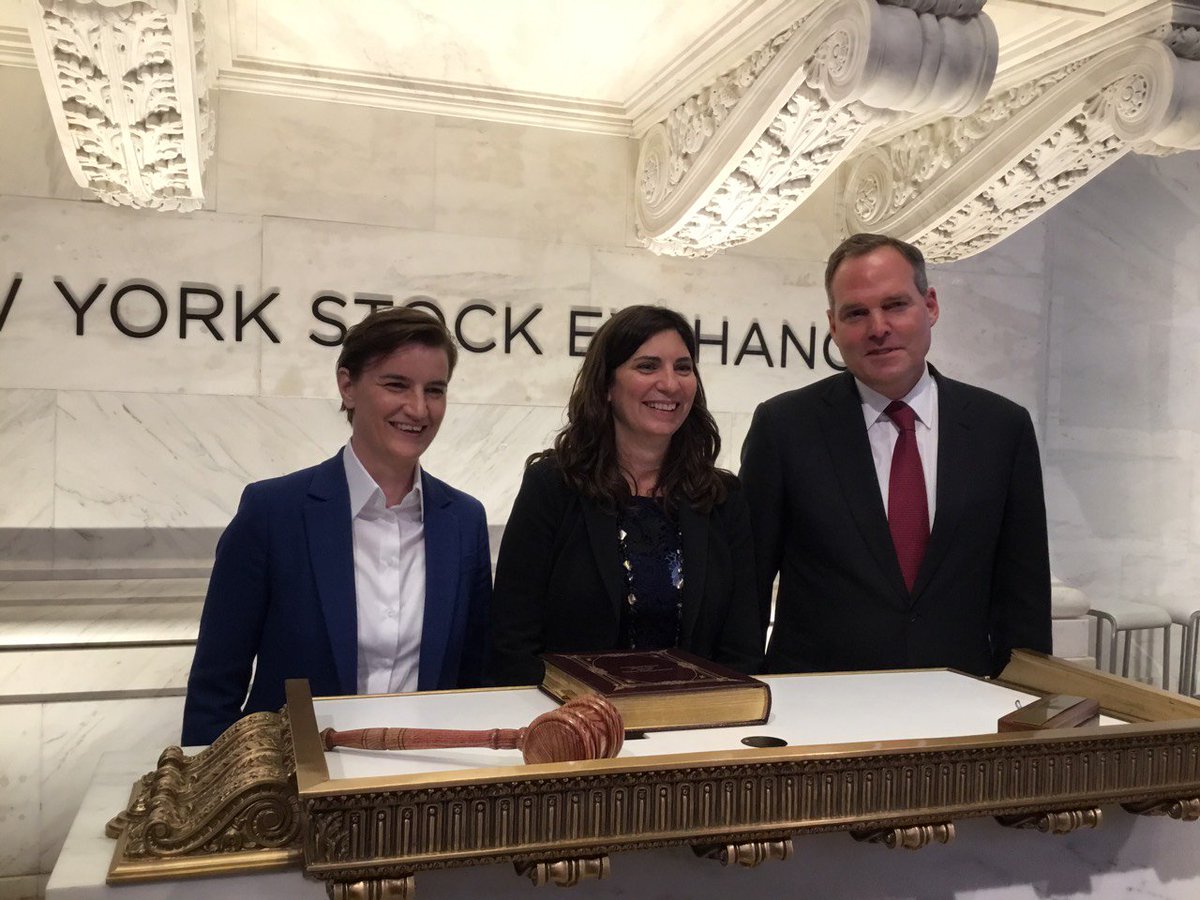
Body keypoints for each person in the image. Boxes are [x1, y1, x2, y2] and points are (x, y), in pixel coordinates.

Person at [740, 233, 1050, 678]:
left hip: (960, 701)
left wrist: (1030, 703)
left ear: (931, 306)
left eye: (895, 305)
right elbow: (746, 589)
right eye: (856, 313)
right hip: (818, 702)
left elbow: (1024, 597)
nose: (878, 328)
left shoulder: (1002, 428)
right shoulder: (784, 427)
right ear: (833, 326)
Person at [182, 307, 491, 745]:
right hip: (293, 777)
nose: (419, 408)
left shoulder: (464, 521)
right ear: (347, 386)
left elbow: (475, 679)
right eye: (396, 384)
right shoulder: (272, 512)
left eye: (434, 390)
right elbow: (216, 684)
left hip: (423, 775)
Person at [489, 305, 763, 686]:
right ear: (607, 386)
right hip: (572, 716)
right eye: (647, 366)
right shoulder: (553, 486)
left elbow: (743, 649)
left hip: (697, 716)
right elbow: (512, 642)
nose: (670, 383)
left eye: (683, 368)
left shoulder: (721, 497)